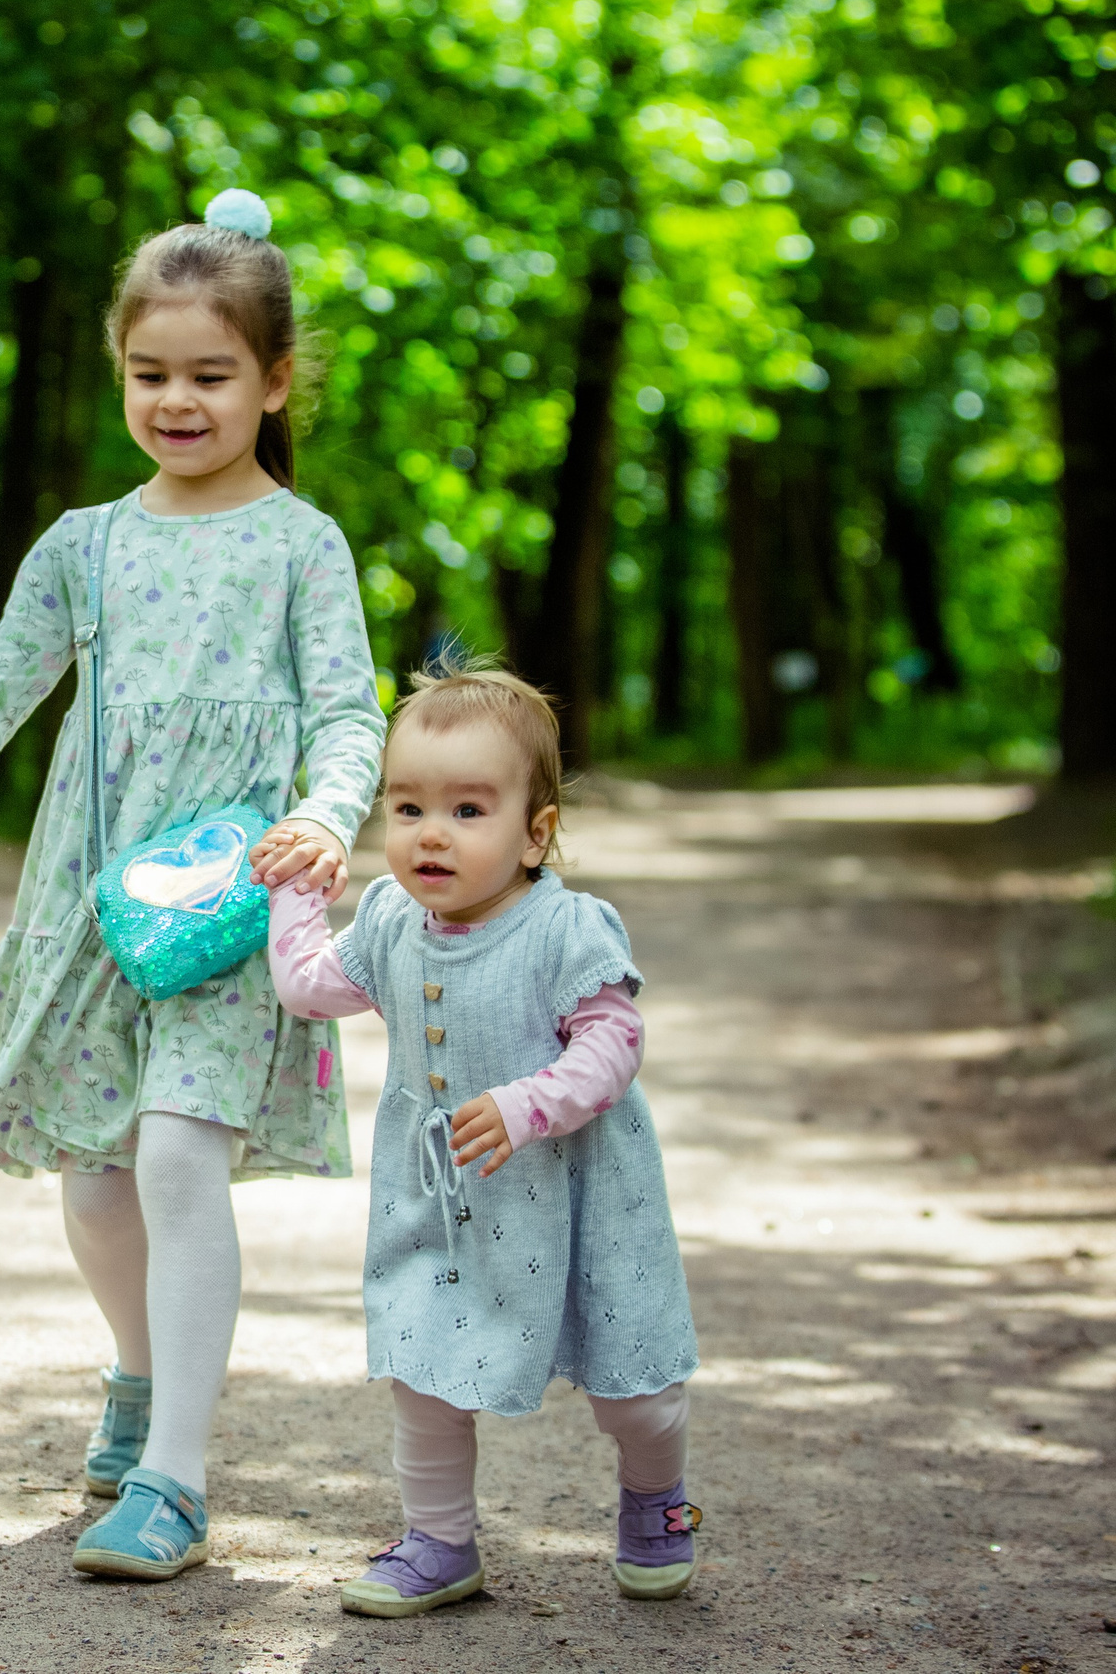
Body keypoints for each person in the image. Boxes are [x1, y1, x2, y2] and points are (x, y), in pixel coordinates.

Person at [0, 188, 386, 1580]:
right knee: (96, 1177)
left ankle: (176, 1476)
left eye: (212, 375)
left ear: (275, 381)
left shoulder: (303, 545)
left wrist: (328, 815)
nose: (178, 399)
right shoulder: (82, 546)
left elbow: (348, 711)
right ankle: (141, 1371)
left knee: (174, 1152)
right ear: (119, 372)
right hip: (97, 908)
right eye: (150, 372)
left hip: (234, 900)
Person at [265, 662, 702, 1618]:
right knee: (422, 1366)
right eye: (408, 805)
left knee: (633, 1383)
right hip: (449, 1202)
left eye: (469, 809)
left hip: (581, 1190)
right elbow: (309, 987)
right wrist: (295, 889)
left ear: (535, 831)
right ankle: (440, 1542)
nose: (430, 832)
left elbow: (615, 1042)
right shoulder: (389, 919)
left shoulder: (566, 929)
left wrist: (527, 1103)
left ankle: (656, 1500)